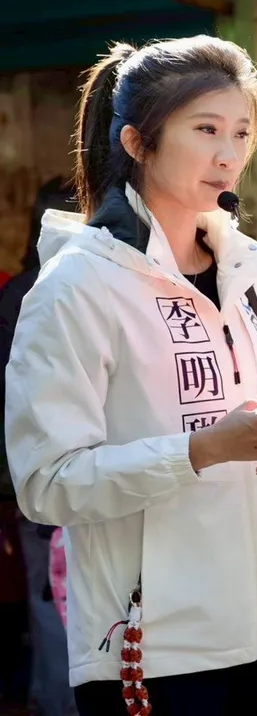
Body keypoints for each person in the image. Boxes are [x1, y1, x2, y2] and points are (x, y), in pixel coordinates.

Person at [4, 37, 257, 715]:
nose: (230, 154)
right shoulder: (78, 285)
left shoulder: (244, 271)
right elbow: (46, 484)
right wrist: (204, 449)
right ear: (137, 141)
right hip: (150, 644)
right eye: (206, 130)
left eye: (243, 132)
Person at [0, 176, 80, 716]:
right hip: (55, 479)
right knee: (59, 600)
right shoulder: (62, 290)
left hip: (35, 478)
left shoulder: (16, 291)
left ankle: (57, 700)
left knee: (49, 598)